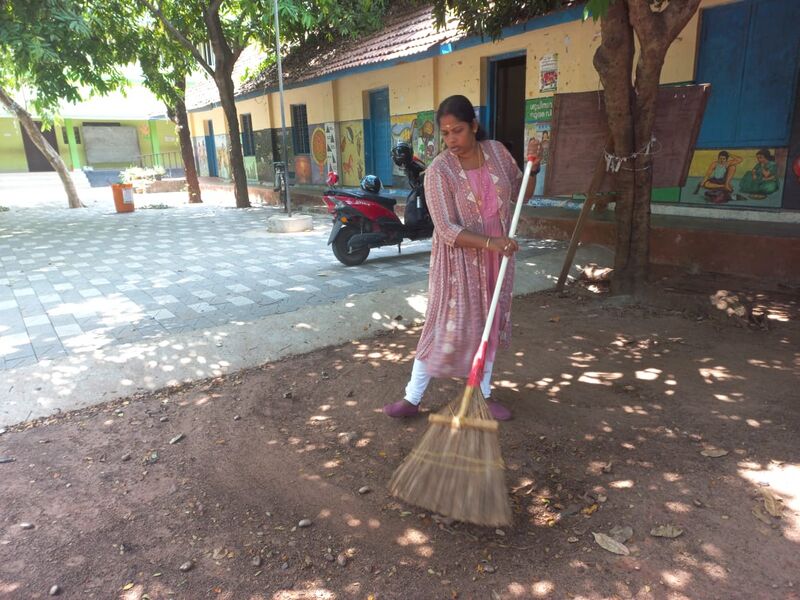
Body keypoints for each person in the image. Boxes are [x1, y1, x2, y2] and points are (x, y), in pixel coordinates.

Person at [383, 95, 541, 421]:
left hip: (497, 258)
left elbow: (521, 192)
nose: (451, 140)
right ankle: (412, 398)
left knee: (490, 323)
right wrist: (491, 242)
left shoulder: (497, 152)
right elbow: (445, 229)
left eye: (458, 131)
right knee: (442, 325)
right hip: (457, 263)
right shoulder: (439, 171)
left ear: (474, 126)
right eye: (446, 133)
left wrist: (533, 171)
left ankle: (482, 394)